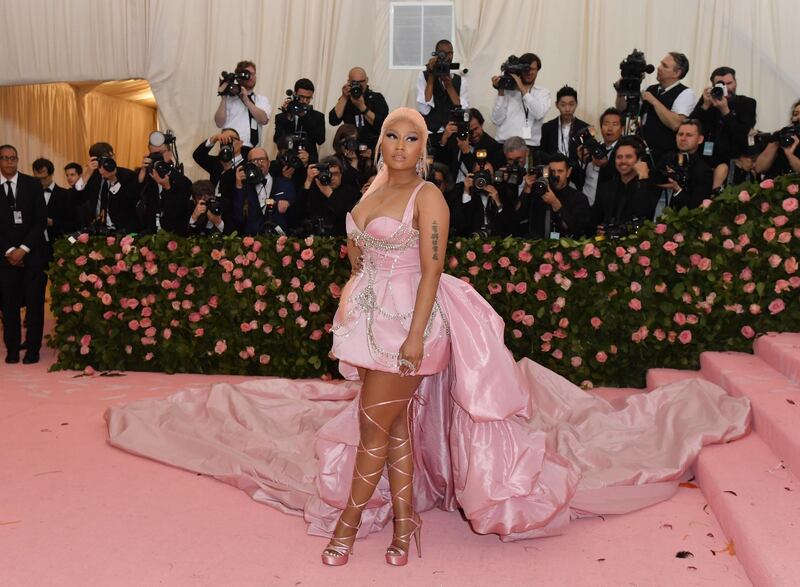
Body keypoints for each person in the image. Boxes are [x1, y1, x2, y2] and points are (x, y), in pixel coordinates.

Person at [107, 110, 751, 566]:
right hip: (366, 323)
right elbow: (357, 254)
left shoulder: (428, 197)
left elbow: (433, 271)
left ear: (424, 149)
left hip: (409, 328)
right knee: (388, 430)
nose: (400, 144)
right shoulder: (370, 188)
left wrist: (415, 338)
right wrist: (356, 287)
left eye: (412, 138)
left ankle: (351, 524)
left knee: (370, 429)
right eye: (393, 134)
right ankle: (408, 522)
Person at [0, 145, 48, 364]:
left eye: (13, 158)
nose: (10, 162)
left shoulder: (32, 184)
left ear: (18, 160)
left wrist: (23, 249)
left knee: (35, 305)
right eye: (5, 159)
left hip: (32, 255)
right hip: (5, 258)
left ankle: (33, 349)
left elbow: (39, 222)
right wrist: (10, 251)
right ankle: (11, 348)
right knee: (9, 306)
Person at [617, 52, 697, 164]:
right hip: (641, 154)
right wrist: (620, 91)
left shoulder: (685, 93)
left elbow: (676, 124)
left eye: (665, 66)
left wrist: (654, 101)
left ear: (677, 73)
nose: (658, 68)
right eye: (660, 64)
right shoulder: (650, 89)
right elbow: (622, 110)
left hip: (665, 158)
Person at [689, 66, 757, 167]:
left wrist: (725, 111)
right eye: (721, 85)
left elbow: (742, 134)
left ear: (736, 82)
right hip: (705, 159)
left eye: (729, 83)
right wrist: (704, 106)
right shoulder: (707, 101)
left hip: (734, 160)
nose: (726, 88)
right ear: (713, 86)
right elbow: (689, 125)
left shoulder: (746, 103)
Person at [593, 137, 661, 232]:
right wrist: (598, 229)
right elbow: (595, 219)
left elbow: (645, 213)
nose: (623, 161)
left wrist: (643, 177)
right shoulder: (606, 187)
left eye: (628, 157)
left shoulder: (650, 185)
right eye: (619, 157)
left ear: (639, 160)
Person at [491, 53, 550, 158]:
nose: (529, 72)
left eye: (533, 69)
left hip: (529, 147)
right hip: (504, 146)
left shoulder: (542, 93)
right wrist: (501, 91)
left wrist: (522, 89)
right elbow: (496, 120)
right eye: (526, 69)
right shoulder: (507, 91)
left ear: (537, 71)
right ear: (520, 70)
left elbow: (539, 113)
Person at [71, 142, 139, 234]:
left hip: (124, 231)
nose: (108, 162)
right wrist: (87, 174)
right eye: (103, 159)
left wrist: (113, 179)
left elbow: (130, 202)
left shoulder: (127, 175)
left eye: (110, 158)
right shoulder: (92, 177)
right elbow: (77, 200)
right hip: (98, 231)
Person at [526, 153, 591, 240]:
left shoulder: (579, 198)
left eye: (560, 171)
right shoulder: (538, 194)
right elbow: (520, 220)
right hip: (539, 247)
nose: (556, 176)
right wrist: (526, 190)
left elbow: (577, 230)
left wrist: (555, 203)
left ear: (568, 172)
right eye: (552, 172)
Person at [214, 60, 271, 151]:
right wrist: (223, 97)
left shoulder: (262, 99)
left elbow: (264, 120)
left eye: (253, 74)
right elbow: (219, 123)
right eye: (247, 74)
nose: (251, 77)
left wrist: (246, 100)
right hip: (232, 147)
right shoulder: (229, 99)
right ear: (239, 77)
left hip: (254, 150)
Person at [417, 39, 469, 134]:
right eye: (443, 54)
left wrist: (449, 85)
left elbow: (462, 109)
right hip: (430, 131)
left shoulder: (461, 80)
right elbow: (424, 110)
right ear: (436, 55)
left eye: (450, 53)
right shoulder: (424, 76)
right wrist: (431, 76)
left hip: (452, 131)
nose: (447, 57)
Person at [329, 67, 389, 149]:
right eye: (354, 82)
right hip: (350, 147)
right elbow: (333, 120)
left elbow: (382, 124)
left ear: (367, 80)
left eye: (361, 82)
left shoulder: (377, 98)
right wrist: (344, 97)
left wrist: (362, 107)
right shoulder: (346, 99)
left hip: (372, 148)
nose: (358, 85)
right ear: (348, 82)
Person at [273, 78, 326, 164]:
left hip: (308, 163)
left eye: (308, 98)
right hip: (285, 162)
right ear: (294, 94)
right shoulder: (282, 116)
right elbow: (277, 139)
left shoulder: (318, 116)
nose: (305, 101)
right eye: (302, 97)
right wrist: (288, 116)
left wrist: (304, 116)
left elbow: (320, 140)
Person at [31, 158, 78, 242]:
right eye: (37, 179)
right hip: (34, 246)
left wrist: (52, 222)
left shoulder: (66, 195)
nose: (40, 182)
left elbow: (75, 224)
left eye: (44, 178)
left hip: (59, 245)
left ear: (51, 174)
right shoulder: (29, 195)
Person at [540, 86, 590, 163]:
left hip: (576, 172)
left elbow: (588, 157)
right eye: (563, 105)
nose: (567, 109)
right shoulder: (547, 128)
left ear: (576, 104)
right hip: (553, 171)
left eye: (571, 104)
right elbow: (542, 154)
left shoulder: (584, 128)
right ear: (556, 105)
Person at [755, 99, 800, 178]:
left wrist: (790, 155)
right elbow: (759, 168)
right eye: (796, 114)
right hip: (774, 186)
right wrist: (776, 140)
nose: (798, 117)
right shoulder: (783, 135)